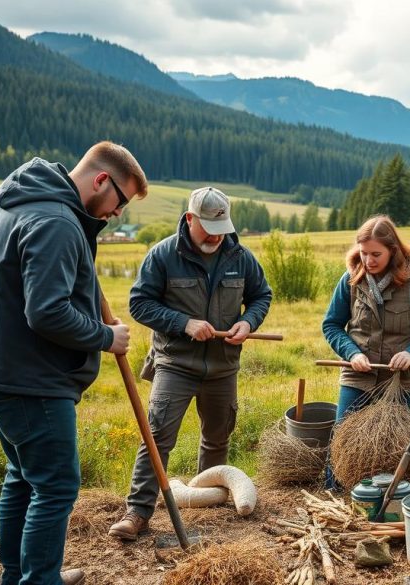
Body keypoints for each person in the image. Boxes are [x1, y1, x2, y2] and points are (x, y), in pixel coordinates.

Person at [0, 141, 147, 585]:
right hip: (30, 381)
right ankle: (39, 580)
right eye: (120, 201)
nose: (117, 214)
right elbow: (46, 312)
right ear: (102, 180)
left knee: (23, 477)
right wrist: (106, 337)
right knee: (58, 485)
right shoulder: (56, 222)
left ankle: (19, 575)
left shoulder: (14, 202)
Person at [109, 186, 272, 540]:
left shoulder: (240, 257)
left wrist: (248, 322)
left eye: (222, 229)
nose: (216, 237)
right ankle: (137, 514)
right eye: (209, 230)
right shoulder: (163, 255)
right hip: (175, 364)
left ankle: (207, 506)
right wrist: (184, 323)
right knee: (157, 437)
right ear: (189, 219)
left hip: (223, 366)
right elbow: (140, 304)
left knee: (217, 437)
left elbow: (261, 295)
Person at [321, 215, 410, 487]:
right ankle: (334, 496)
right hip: (357, 377)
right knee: (343, 442)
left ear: (394, 250)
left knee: (391, 447)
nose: (368, 261)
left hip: (399, 381)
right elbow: (331, 325)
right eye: (364, 253)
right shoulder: (350, 281)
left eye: (376, 254)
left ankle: (386, 503)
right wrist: (352, 353)